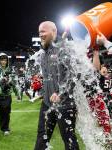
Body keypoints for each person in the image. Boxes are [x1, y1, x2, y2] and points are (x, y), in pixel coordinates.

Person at [34, 21, 79, 150]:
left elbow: (74, 75)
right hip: (48, 103)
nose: (40, 35)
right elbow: (49, 77)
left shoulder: (65, 48)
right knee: (42, 136)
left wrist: (61, 93)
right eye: (39, 32)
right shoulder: (44, 52)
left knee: (68, 139)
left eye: (43, 31)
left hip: (65, 103)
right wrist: (44, 92)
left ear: (53, 31)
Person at [0, 53, 20, 135]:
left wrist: (17, 94)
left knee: (5, 114)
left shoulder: (10, 70)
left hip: (6, 97)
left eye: (5, 60)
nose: (3, 61)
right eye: (2, 60)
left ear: (7, 61)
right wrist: (2, 80)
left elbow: (14, 83)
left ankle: (5, 129)